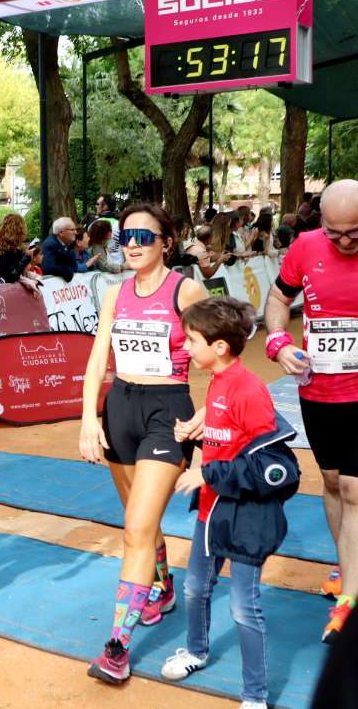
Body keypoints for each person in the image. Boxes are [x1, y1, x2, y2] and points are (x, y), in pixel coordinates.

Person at [80, 203, 209, 683]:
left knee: (136, 527)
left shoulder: (186, 289)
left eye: (143, 236)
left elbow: (220, 349)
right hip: (121, 408)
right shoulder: (115, 292)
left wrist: (205, 413)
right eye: (126, 236)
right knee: (138, 514)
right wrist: (89, 419)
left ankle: (117, 646)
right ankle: (162, 586)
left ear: (166, 243)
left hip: (166, 412)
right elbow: (97, 360)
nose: (132, 244)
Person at [161, 297, 299, 709]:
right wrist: (198, 433)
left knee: (243, 607)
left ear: (219, 346)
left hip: (246, 517)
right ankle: (197, 652)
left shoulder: (249, 389)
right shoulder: (219, 380)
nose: (185, 347)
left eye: (191, 340)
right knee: (194, 587)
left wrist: (207, 473)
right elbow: (229, 439)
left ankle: (254, 695)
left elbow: (270, 467)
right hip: (211, 511)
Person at [263, 178, 358, 644]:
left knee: (356, 487)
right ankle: (348, 568)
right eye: (334, 231)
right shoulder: (304, 246)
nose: (343, 242)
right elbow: (279, 297)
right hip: (319, 389)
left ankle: (353, 592)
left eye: (354, 234)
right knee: (333, 481)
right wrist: (278, 341)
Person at [41, 217, 78, 282]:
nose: (76, 232)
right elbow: (48, 267)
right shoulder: (50, 244)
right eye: (72, 230)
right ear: (61, 232)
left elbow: (74, 266)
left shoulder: (70, 243)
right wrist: (66, 271)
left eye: (75, 229)